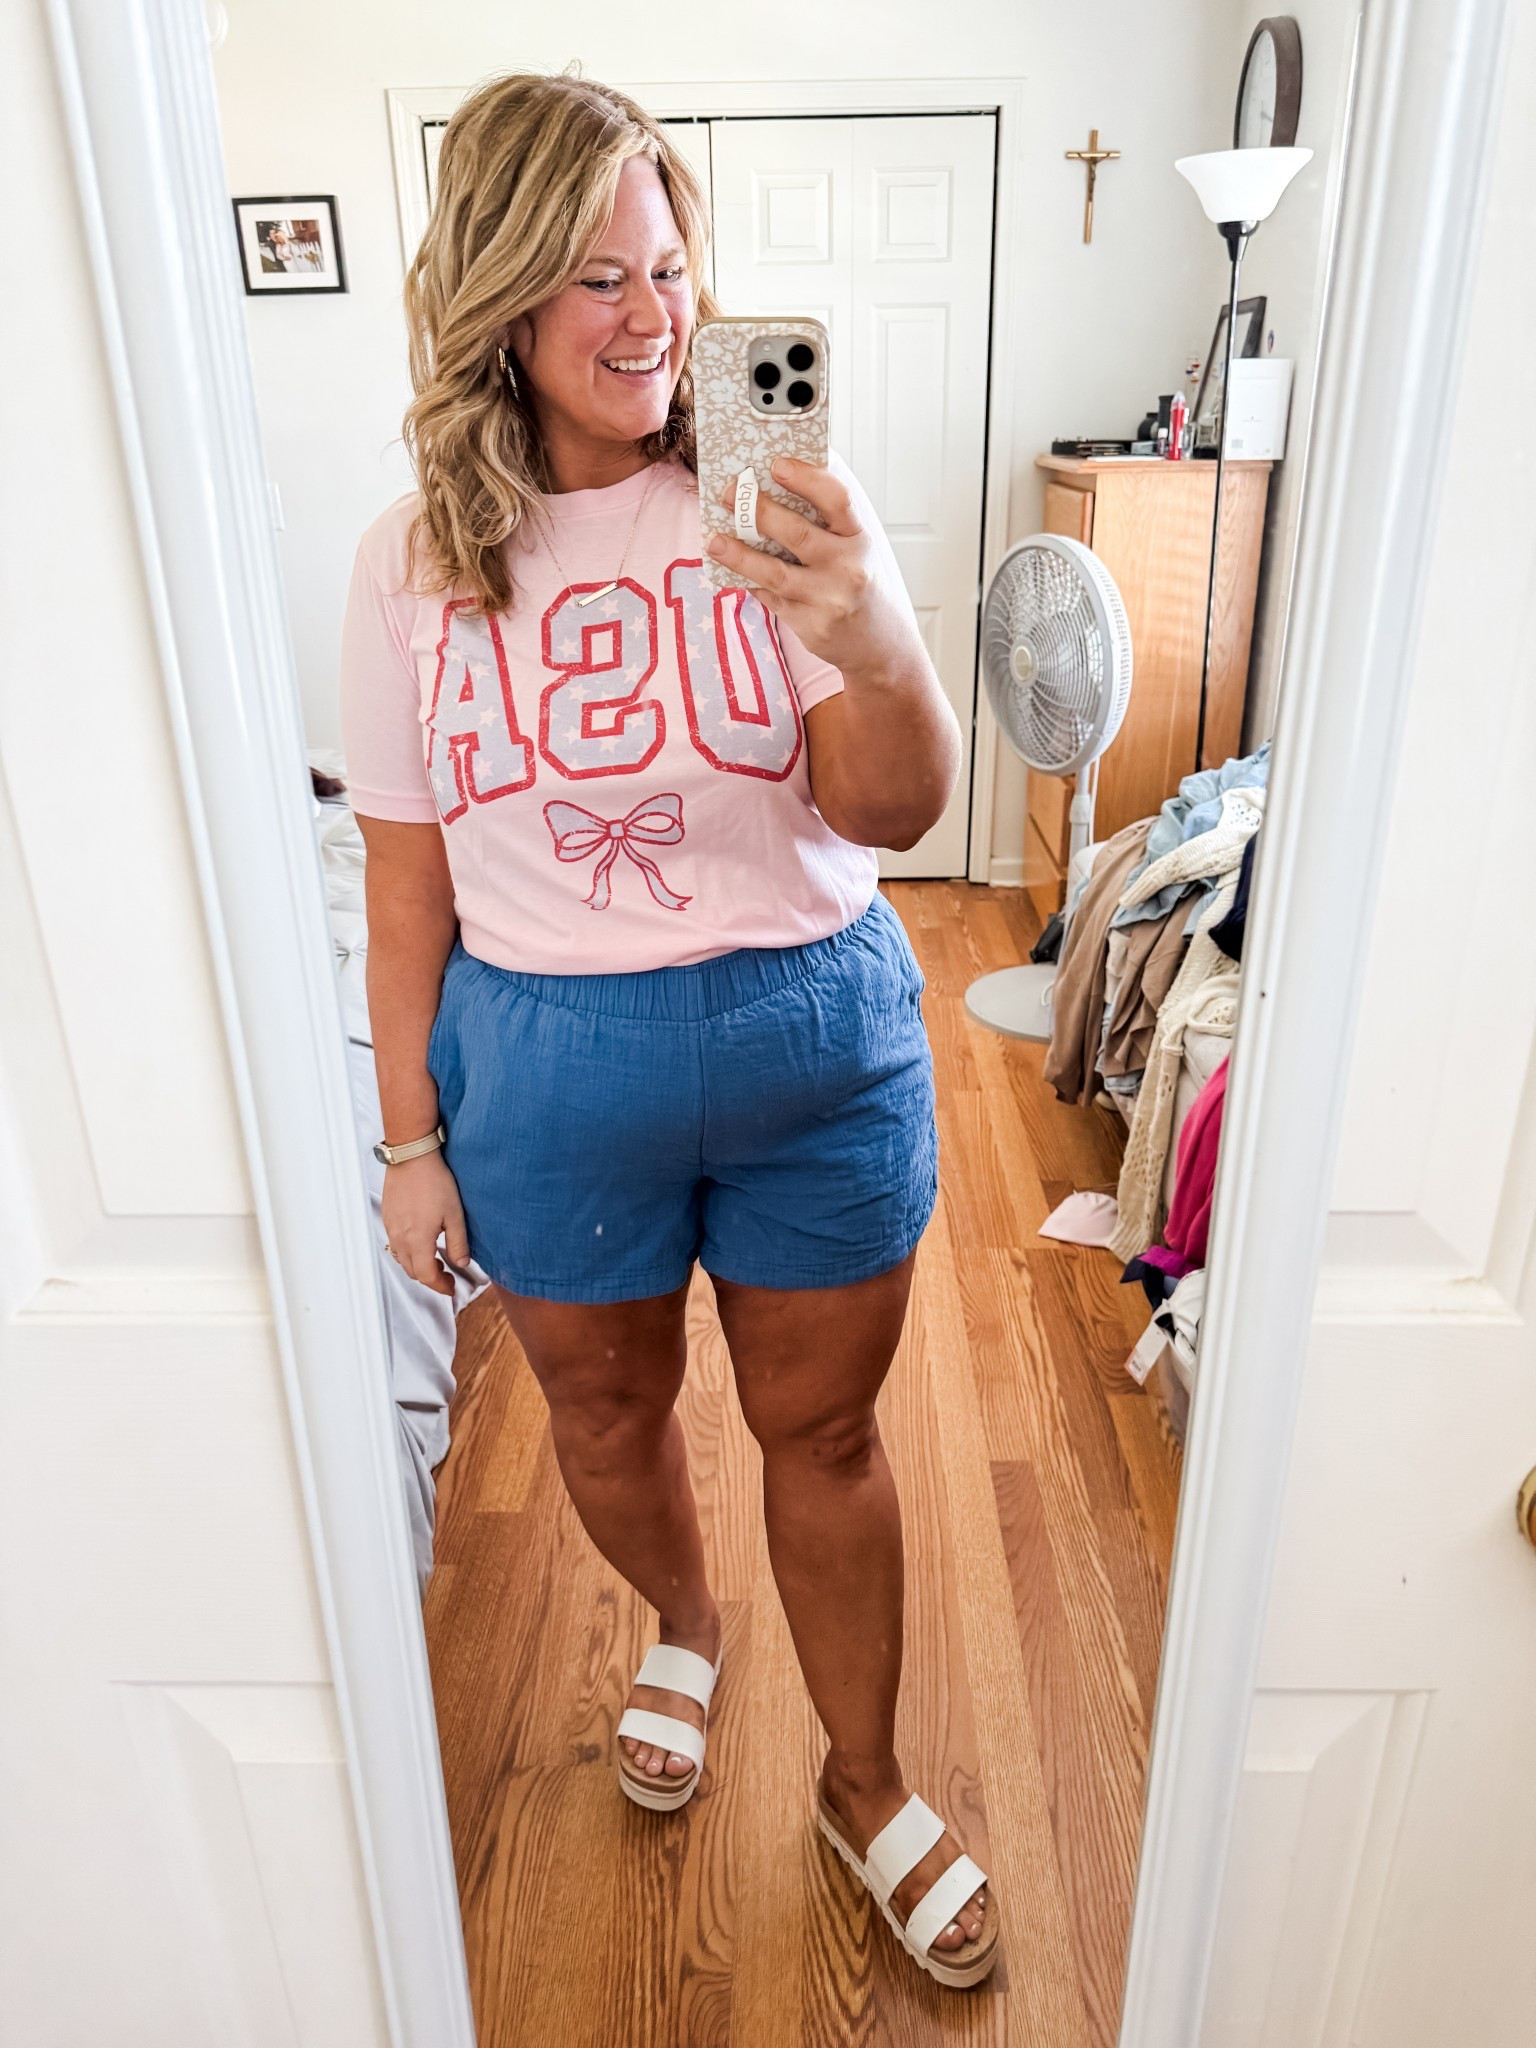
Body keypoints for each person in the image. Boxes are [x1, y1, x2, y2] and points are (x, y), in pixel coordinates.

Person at [339, 70, 997, 1989]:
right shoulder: (408, 564)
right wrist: (408, 1142)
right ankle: (689, 1628)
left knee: (829, 1426)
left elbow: (892, 811)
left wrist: (870, 626)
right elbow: (404, 891)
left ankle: (863, 1780)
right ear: (498, 301)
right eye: (596, 279)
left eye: (671, 268)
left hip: (812, 1033)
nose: (655, 320)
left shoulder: (778, 499)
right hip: (544, 1062)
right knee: (604, 1416)